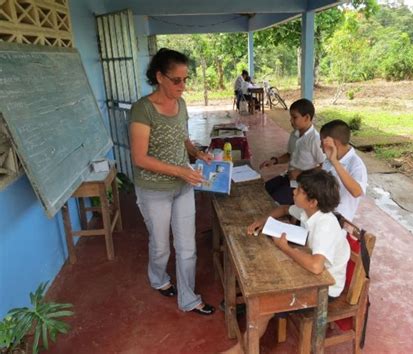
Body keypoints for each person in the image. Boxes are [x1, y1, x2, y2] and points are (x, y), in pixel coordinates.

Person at [223, 169, 350, 354]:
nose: (294, 192)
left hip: (326, 287)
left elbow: (316, 266)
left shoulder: (325, 225)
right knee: (265, 278)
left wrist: (286, 248)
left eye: (299, 191)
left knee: (266, 300)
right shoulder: (310, 212)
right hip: (312, 274)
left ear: (313, 201)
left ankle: (241, 349)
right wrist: (263, 220)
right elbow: (283, 208)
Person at [129, 48, 215, 315]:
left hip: (182, 188)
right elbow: (139, 158)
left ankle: (189, 298)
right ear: (159, 77)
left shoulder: (182, 104)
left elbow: (183, 138)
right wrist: (179, 171)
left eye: (185, 79)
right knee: (160, 244)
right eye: (176, 80)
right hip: (153, 189)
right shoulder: (143, 110)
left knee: (187, 246)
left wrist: (197, 153)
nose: (182, 86)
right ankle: (159, 279)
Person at [260, 98, 325, 204]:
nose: (291, 120)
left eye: (294, 117)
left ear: (307, 117)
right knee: (266, 188)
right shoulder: (294, 134)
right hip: (289, 177)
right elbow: (290, 155)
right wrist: (274, 161)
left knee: (275, 200)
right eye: (291, 117)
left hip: (304, 183)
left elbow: (324, 166)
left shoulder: (315, 139)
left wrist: (301, 173)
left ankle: (291, 212)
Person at [320, 119, 368, 221]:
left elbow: (357, 192)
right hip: (322, 213)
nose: (321, 147)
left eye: (323, 143)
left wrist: (335, 161)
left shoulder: (356, 164)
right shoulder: (329, 159)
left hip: (337, 222)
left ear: (335, 144)